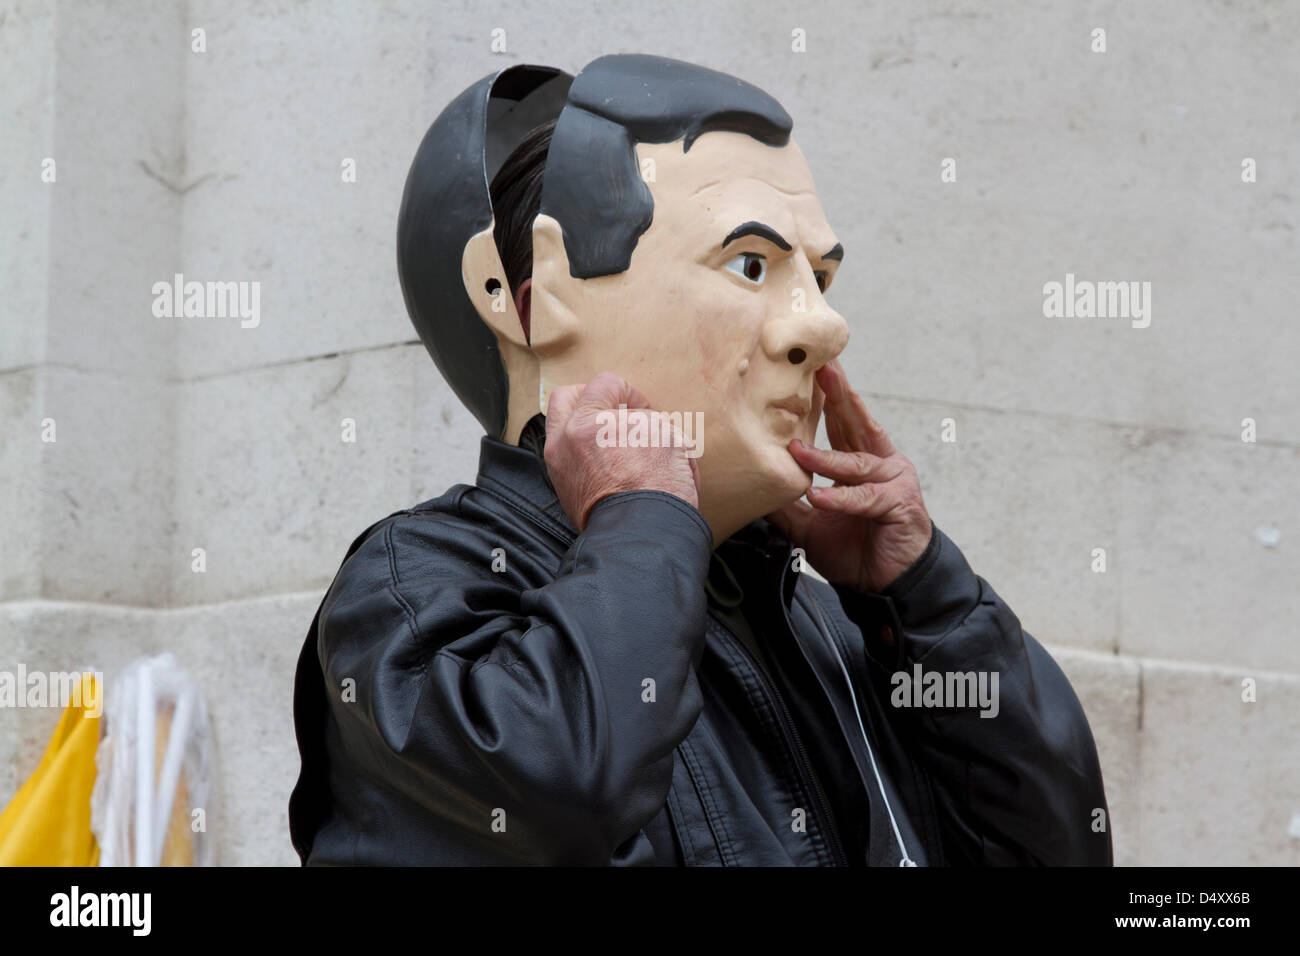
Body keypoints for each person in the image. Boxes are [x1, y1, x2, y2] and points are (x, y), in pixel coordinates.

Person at [288, 54, 1112, 866]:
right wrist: (643, 520)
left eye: (820, 278)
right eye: (750, 265)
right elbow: (559, 802)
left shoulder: (830, 629)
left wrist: (928, 603)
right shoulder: (415, 593)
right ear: (532, 301)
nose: (823, 328)